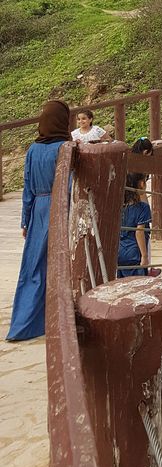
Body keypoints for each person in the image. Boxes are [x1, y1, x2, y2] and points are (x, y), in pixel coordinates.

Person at [6, 100, 71, 341]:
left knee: (33, 267)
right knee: (62, 265)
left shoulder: (33, 149)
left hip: (38, 211)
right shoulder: (64, 147)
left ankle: (23, 325)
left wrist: (26, 220)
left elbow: (27, 188)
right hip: (61, 208)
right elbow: (71, 184)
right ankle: (59, 318)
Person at [117, 182, 151, 277]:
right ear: (141, 184)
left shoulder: (118, 207)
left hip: (120, 253)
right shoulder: (143, 207)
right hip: (135, 253)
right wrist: (144, 256)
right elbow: (139, 232)